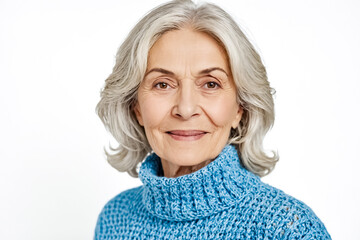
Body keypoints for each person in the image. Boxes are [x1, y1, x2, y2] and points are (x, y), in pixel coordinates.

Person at [94, 0, 331, 239]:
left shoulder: (289, 229)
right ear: (136, 107)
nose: (185, 109)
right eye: (163, 84)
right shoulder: (115, 219)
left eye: (210, 84)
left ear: (240, 108)